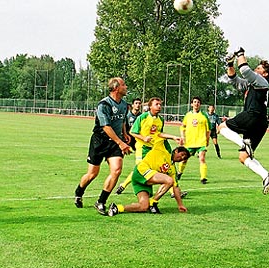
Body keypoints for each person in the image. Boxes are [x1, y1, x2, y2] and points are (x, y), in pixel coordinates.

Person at [215, 47, 269, 194]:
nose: (256, 69)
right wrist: (230, 64)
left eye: (259, 68)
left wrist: (240, 53)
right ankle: (266, 176)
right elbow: (235, 80)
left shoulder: (262, 81)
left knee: (222, 127)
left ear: (265, 73)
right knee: (243, 157)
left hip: (252, 115)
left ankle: (243, 143)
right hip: (260, 123)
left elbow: (245, 70)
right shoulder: (252, 84)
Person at [73, 77, 133, 215]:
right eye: (124, 85)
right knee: (92, 174)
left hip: (115, 142)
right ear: (116, 88)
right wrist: (121, 142)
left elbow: (123, 120)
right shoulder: (104, 105)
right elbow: (106, 126)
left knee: (116, 170)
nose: (126, 87)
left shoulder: (124, 105)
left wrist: (125, 133)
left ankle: (101, 201)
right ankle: (79, 192)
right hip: (100, 141)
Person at [116, 97, 183, 195]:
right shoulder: (142, 117)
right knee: (140, 169)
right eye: (156, 104)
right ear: (150, 106)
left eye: (160, 104)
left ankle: (173, 191)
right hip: (143, 148)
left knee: (164, 167)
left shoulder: (160, 119)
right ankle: (123, 185)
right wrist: (143, 138)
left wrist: (173, 137)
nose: (159, 106)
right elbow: (132, 132)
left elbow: (159, 134)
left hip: (155, 149)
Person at [107, 146, 190, 216]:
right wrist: (174, 137)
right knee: (169, 180)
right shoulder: (162, 149)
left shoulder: (172, 170)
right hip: (141, 171)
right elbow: (159, 134)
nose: (182, 158)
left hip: (143, 182)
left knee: (143, 206)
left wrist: (180, 205)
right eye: (182, 154)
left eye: (184, 158)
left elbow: (175, 188)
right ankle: (153, 202)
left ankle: (117, 208)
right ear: (176, 151)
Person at [179, 97, 211, 184]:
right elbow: (182, 127)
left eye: (198, 102)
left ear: (200, 104)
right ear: (191, 104)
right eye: (195, 102)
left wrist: (207, 140)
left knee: (202, 159)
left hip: (201, 142)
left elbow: (208, 130)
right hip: (189, 142)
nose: (196, 104)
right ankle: (179, 172)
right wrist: (182, 137)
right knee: (184, 159)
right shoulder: (188, 115)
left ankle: (203, 178)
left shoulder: (204, 116)